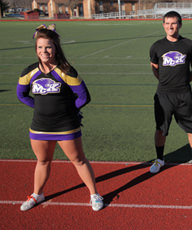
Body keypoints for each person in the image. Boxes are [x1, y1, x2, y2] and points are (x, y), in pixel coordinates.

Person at [16, 24, 104, 211]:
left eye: (48, 46)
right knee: (42, 161)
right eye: (40, 47)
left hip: (66, 126)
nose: (44, 51)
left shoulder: (66, 71)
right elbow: (21, 94)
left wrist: (69, 111)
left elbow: (84, 96)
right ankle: (37, 194)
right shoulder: (29, 72)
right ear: (36, 49)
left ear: (55, 48)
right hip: (39, 126)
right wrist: (38, 107)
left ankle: (94, 194)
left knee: (79, 160)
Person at [149, 11, 192, 176]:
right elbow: (154, 68)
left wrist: (183, 82)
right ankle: (159, 159)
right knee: (160, 129)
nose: (170, 26)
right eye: (167, 23)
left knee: (191, 129)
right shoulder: (156, 46)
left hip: (184, 94)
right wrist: (166, 83)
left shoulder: (189, 45)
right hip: (163, 95)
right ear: (163, 25)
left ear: (180, 24)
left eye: (173, 23)